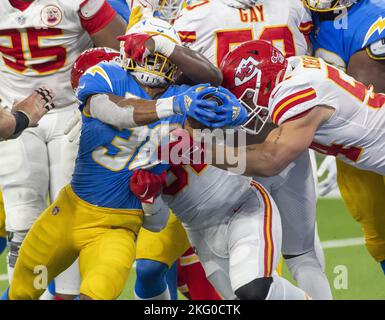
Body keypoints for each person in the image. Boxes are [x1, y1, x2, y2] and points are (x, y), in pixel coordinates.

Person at [4, 17, 237, 300]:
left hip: (119, 228)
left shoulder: (186, 96)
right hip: (68, 214)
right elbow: (111, 111)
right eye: (149, 53)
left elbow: (155, 224)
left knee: (98, 294)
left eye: (160, 55)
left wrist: (150, 202)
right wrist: (170, 105)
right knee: (22, 291)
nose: (153, 62)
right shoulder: (109, 75)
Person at [191, 39, 385, 273]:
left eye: (246, 97)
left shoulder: (296, 93)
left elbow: (270, 160)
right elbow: (269, 140)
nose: (244, 106)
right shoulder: (293, 71)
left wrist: (200, 151)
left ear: (264, 84)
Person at [0, 0, 126, 299]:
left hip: (70, 111)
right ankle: (32, 294)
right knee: (21, 220)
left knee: (68, 214)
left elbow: (118, 56)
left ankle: (67, 295)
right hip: (9, 111)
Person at [128, 130, 311, 300]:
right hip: (201, 234)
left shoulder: (188, 102)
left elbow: (240, 124)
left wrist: (224, 115)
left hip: (242, 206)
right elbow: (157, 224)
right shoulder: (134, 148)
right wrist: (148, 198)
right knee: (241, 297)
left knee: (254, 290)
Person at [306, 0, 385, 273]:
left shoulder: (374, 17)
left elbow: (364, 102)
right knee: (379, 238)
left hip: (365, 135)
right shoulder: (298, 14)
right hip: (345, 145)